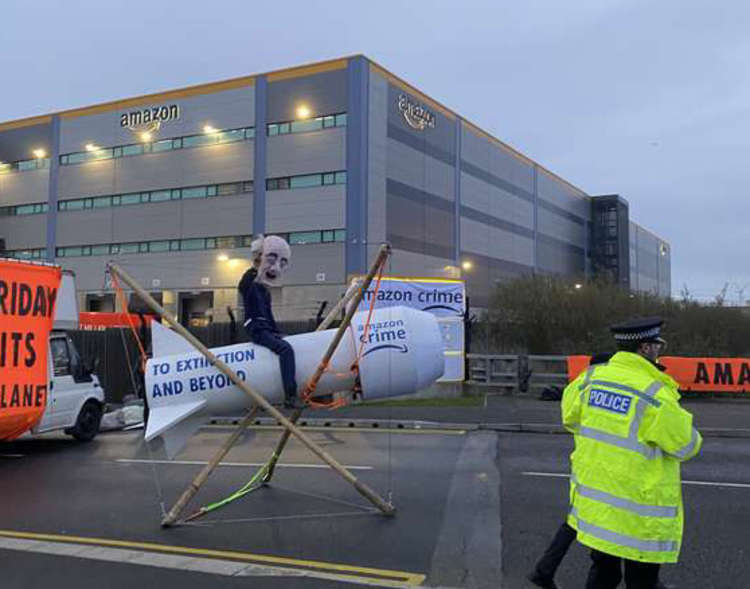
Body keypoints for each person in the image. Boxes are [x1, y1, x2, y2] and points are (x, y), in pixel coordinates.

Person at [562, 317, 701, 589]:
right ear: (645, 349)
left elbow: (571, 418)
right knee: (641, 581)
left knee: (604, 574)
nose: (659, 351)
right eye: (657, 346)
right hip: (638, 518)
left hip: (599, 510)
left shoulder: (589, 379)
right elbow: (686, 446)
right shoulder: (655, 393)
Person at [527, 353, 612, 589]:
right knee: (607, 526)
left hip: (584, 462)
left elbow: (571, 420)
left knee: (575, 521)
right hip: (604, 466)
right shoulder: (606, 388)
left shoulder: (578, 385)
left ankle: (544, 570)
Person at [238, 235, 301, 409]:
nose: (275, 267)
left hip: (265, 327)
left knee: (287, 344)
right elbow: (244, 285)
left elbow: (268, 314)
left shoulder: (263, 289)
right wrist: (258, 261)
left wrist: (277, 332)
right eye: (271, 259)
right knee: (285, 350)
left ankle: (290, 392)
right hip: (257, 328)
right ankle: (290, 395)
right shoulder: (250, 281)